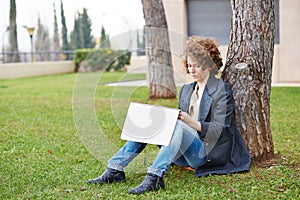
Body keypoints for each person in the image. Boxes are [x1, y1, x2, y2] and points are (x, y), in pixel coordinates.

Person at [87, 36, 251, 195]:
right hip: (182, 154)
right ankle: (115, 169)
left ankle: (155, 176)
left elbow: (220, 130)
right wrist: (162, 116)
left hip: (205, 154)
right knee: (149, 118)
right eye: (189, 65)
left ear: (209, 65)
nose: (191, 70)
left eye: (197, 66)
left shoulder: (221, 90)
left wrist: (188, 121)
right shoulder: (187, 89)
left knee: (179, 124)